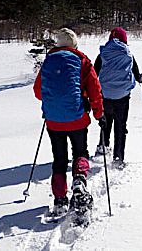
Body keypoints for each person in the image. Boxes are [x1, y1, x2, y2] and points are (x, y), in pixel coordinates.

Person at [33, 28, 105, 214]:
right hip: (77, 118)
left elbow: (38, 92)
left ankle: (59, 200)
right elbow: (95, 91)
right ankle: (79, 182)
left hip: (53, 120)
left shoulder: (48, 61)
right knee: (80, 152)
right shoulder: (82, 61)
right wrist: (99, 114)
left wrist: (53, 102)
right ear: (74, 44)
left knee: (59, 158)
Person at [94, 27, 142, 167]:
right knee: (121, 125)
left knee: (106, 121)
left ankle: (103, 146)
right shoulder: (128, 54)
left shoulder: (103, 54)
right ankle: (118, 157)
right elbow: (136, 74)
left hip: (105, 95)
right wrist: (141, 78)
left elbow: (94, 73)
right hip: (122, 96)